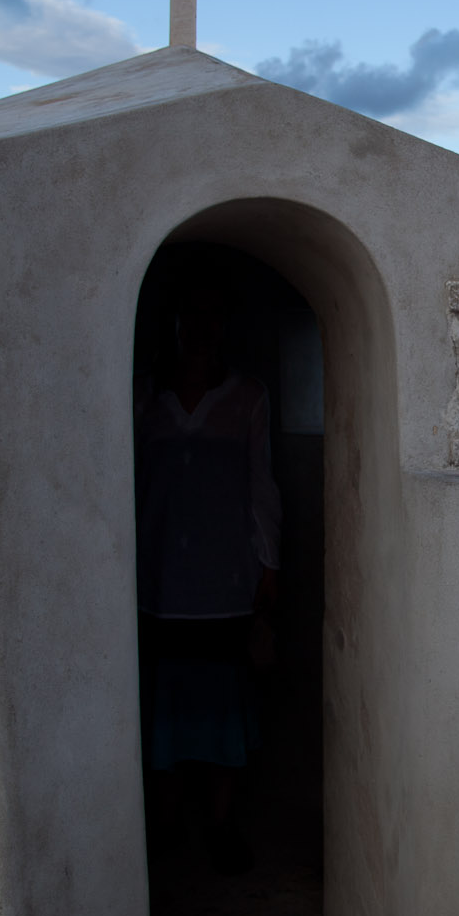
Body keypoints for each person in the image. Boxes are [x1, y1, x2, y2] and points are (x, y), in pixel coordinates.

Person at [135, 271, 280, 873]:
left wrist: (268, 590)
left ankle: (220, 828)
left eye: (211, 318)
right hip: (157, 590)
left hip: (226, 591)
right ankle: (165, 826)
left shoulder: (247, 399)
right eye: (189, 317)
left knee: (224, 717)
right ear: (174, 326)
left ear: (225, 328)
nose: (199, 330)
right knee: (163, 716)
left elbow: (262, 495)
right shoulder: (146, 399)